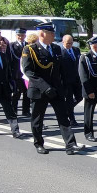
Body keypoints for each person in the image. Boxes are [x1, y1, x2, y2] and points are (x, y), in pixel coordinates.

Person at [21, 24, 78, 155]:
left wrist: (64, 87)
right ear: (42, 34)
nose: (53, 35)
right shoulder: (30, 49)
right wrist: (45, 87)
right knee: (37, 119)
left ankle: (70, 144)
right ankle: (38, 143)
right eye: (51, 33)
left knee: (63, 117)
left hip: (56, 89)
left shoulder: (56, 48)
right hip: (39, 90)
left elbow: (61, 70)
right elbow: (28, 71)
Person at [59, 34, 82, 128]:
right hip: (66, 80)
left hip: (76, 79)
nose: (70, 45)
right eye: (68, 43)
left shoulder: (76, 50)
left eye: (71, 43)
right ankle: (72, 119)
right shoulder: (60, 51)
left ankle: (66, 109)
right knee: (69, 99)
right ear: (63, 42)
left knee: (79, 97)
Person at [9, 28, 30, 117]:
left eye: (22, 35)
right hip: (17, 73)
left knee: (26, 93)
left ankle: (26, 110)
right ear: (16, 36)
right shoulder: (12, 45)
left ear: (25, 35)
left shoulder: (28, 45)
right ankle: (13, 110)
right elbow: (11, 59)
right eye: (19, 35)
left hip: (25, 73)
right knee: (17, 93)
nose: (20, 37)